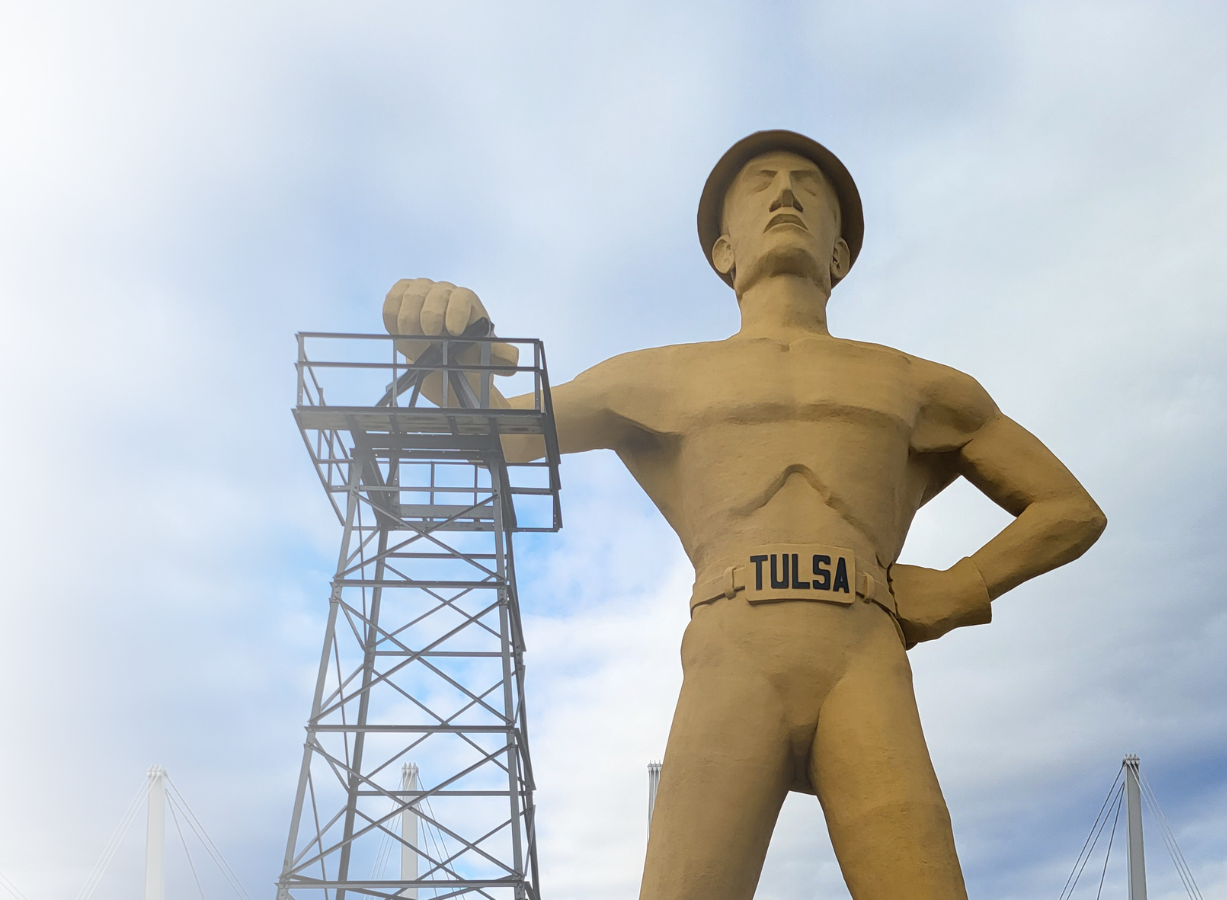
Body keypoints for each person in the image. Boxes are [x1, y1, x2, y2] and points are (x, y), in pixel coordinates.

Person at [381, 130, 1106, 900]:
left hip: (863, 655)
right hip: (733, 657)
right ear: (724, 251)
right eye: (762, 182)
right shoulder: (660, 377)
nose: (785, 193)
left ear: (840, 255)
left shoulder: (917, 385)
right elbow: (498, 433)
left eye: (808, 187)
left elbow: (1068, 508)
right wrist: (442, 347)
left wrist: (963, 586)